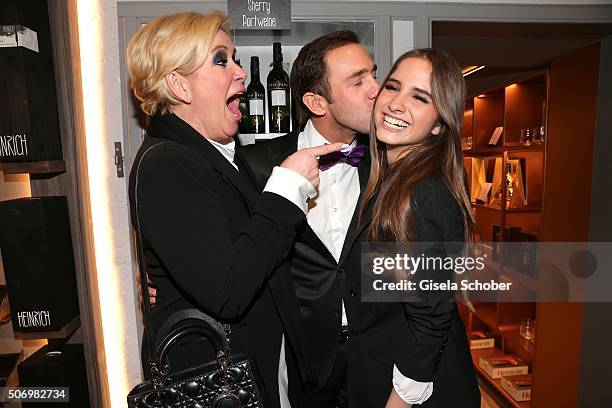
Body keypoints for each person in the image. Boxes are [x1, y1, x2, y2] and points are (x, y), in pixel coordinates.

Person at [126, 11, 343, 408]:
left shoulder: (214, 154)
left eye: (235, 58)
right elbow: (228, 291)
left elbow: (240, 251)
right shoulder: (167, 162)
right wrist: (288, 190)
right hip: (220, 382)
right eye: (221, 59)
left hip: (254, 368)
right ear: (178, 84)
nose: (241, 72)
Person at [348, 49, 481, 407]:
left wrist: (400, 401)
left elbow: (430, 318)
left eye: (420, 97)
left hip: (417, 391)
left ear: (439, 124)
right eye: (393, 87)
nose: (395, 103)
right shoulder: (389, 180)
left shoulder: (425, 193)